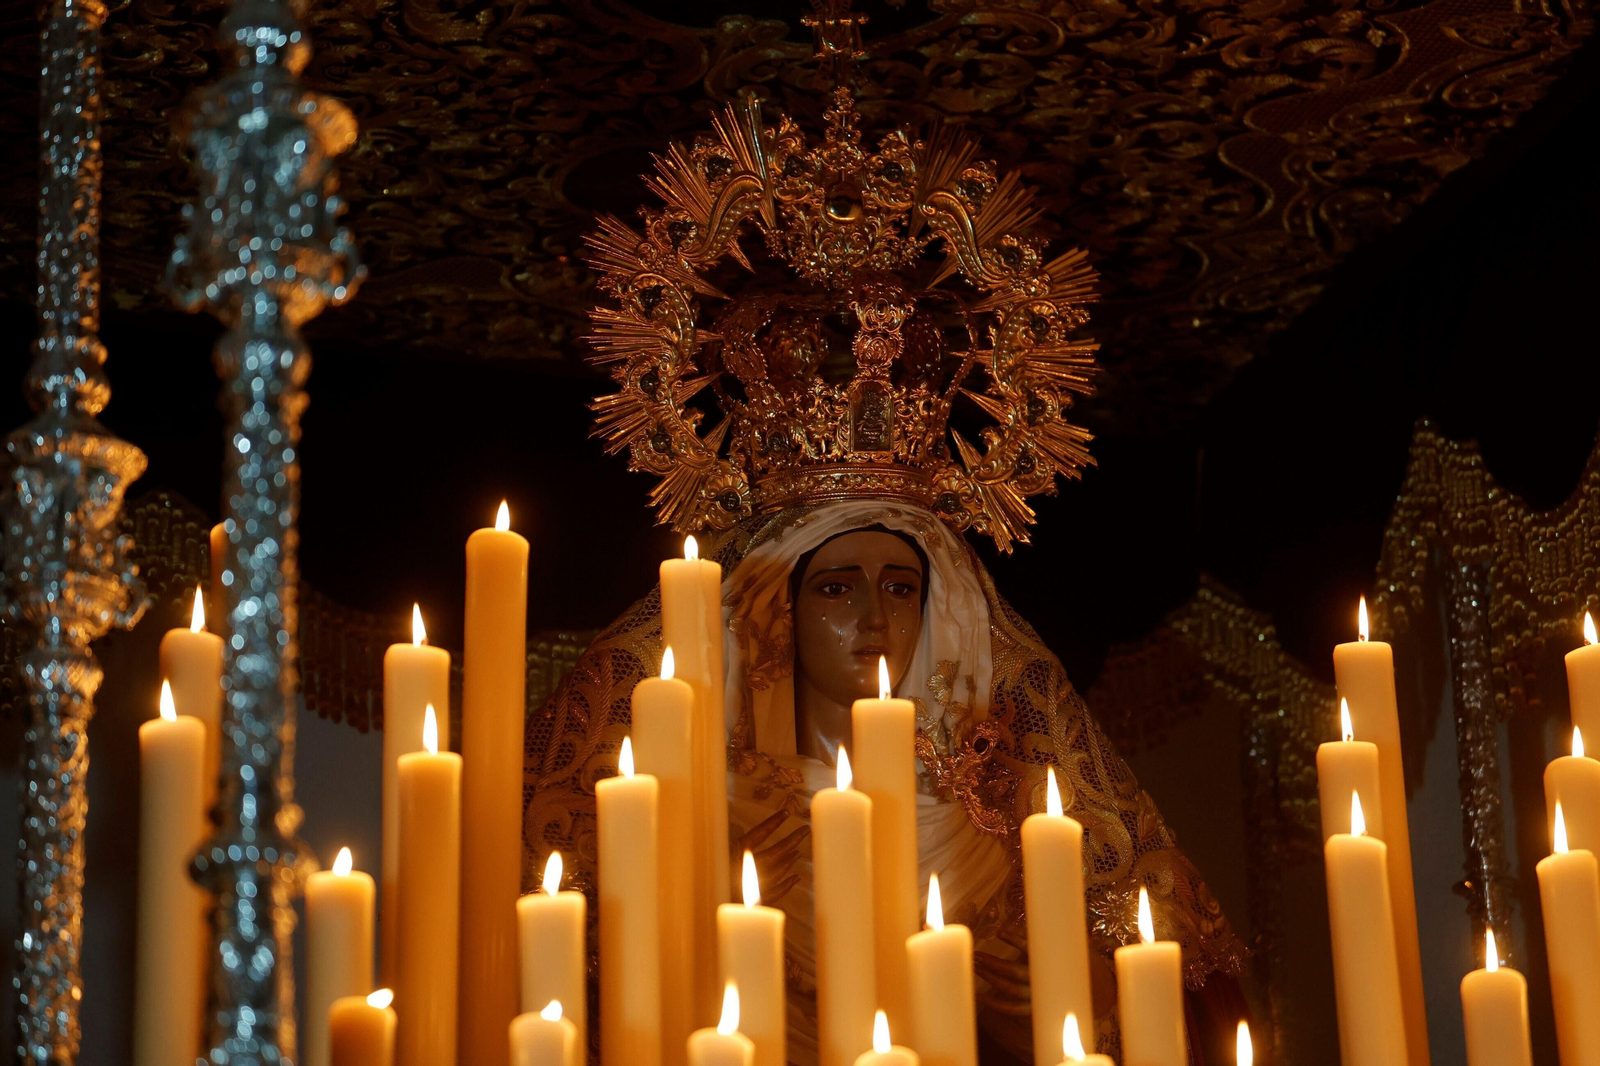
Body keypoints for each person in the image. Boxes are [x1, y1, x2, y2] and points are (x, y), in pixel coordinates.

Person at [523, 79, 1247, 1065]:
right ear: (769, 608)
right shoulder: (688, 820)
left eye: (899, 585)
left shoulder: (1011, 826)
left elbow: (1128, 1003)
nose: (872, 612)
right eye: (834, 585)